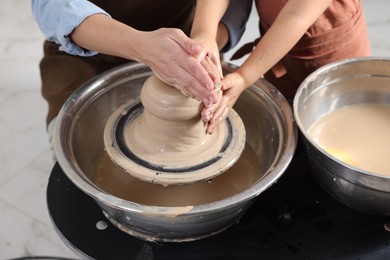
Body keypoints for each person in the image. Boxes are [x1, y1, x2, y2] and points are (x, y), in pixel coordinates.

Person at [31, 0, 252, 144]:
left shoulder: (194, 43)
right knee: (75, 142)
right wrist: (141, 46)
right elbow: (53, 5)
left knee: (214, 120)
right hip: (87, 49)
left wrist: (205, 39)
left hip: (184, 40)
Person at [191, 0, 371, 133]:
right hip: (275, 51)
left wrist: (244, 77)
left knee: (335, 128)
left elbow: (296, 15)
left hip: (333, 55)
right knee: (289, 121)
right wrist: (204, 33)